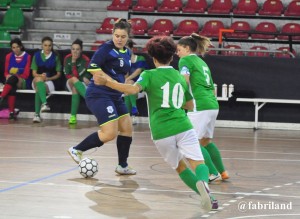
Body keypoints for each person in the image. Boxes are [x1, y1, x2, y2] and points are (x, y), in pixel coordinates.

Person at [94, 36, 218, 211]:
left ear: (153, 58)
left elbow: (131, 91)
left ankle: (204, 196)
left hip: (161, 131)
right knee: (198, 162)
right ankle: (207, 191)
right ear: (172, 56)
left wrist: (107, 82)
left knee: (181, 167)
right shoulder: (178, 75)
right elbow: (189, 105)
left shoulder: (148, 75)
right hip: (183, 126)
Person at [67, 19, 136, 175]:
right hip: (99, 94)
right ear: (112, 34)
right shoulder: (106, 48)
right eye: (116, 35)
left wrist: (123, 84)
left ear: (128, 37)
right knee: (110, 133)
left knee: (127, 128)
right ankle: (76, 150)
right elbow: (92, 68)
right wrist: (110, 81)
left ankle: (122, 166)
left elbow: (122, 72)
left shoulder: (128, 52)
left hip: (116, 95)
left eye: (123, 36)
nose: (119, 39)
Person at [177, 33, 229, 183]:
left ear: (187, 48)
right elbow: (212, 88)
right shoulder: (201, 62)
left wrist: (180, 101)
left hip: (199, 105)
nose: (177, 53)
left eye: (179, 49)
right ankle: (223, 171)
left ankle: (212, 173)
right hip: (212, 105)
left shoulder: (185, 60)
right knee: (206, 141)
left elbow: (184, 81)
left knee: (193, 142)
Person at [31, 36, 62, 123]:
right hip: (37, 79)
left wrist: (48, 78)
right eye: (45, 45)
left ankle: (37, 115)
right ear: (42, 46)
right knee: (38, 79)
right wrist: (41, 76)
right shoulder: (36, 55)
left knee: (38, 88)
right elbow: (34, 73)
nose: (47, 47)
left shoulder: (55, 57)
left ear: (52, 46)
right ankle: (45, 103)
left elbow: (58, 74)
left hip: (49, 82)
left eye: (49, 45)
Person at [0, 38, 31, 120]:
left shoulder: (27, 56)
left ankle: (1, 96)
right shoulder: (8, 56)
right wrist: (7, 76)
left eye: (17, 47)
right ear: (11, 48)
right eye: (13, 47)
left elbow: (26, 74)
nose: (16, 49)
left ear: (21, 46)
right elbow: (6, 72)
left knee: (13, 79)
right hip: (10, 81)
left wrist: (16, 73)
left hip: (22, 81)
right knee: (11, 85)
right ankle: (11, 113)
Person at [64, 39, 91, 124]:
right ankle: (89, 100)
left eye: (77, 49)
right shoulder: (67, 58)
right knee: (73, 79)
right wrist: (73, 61)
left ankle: (73, 117)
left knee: (75, 88)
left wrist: (73, 62)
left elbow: (76, 74)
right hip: (70, 82)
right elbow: (68, 75)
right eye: (73, 49)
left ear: (81, 50)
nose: (75, 51)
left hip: (81, 84)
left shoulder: (85, 60)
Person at [124, 39, 149, 124]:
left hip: (142, 86)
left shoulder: (140, 58)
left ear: (132, 49)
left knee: (130, 84)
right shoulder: (125, 61)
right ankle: (131, 116)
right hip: (132, 88)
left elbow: (138, 71)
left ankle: (129, 113)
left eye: (127, 49)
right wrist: (127, 81)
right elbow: (126, 75)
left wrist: (128, 80)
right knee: (128, 88)